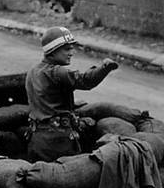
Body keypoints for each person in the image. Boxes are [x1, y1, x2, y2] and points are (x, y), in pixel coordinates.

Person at [25, 26, 119, 162]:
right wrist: (104, 68)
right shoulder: (57, 72)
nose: (72, 52)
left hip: (36, 140)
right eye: (67, 49)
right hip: (58, 142)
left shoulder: (33, 71)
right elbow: (86, 81)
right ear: (53, 51)